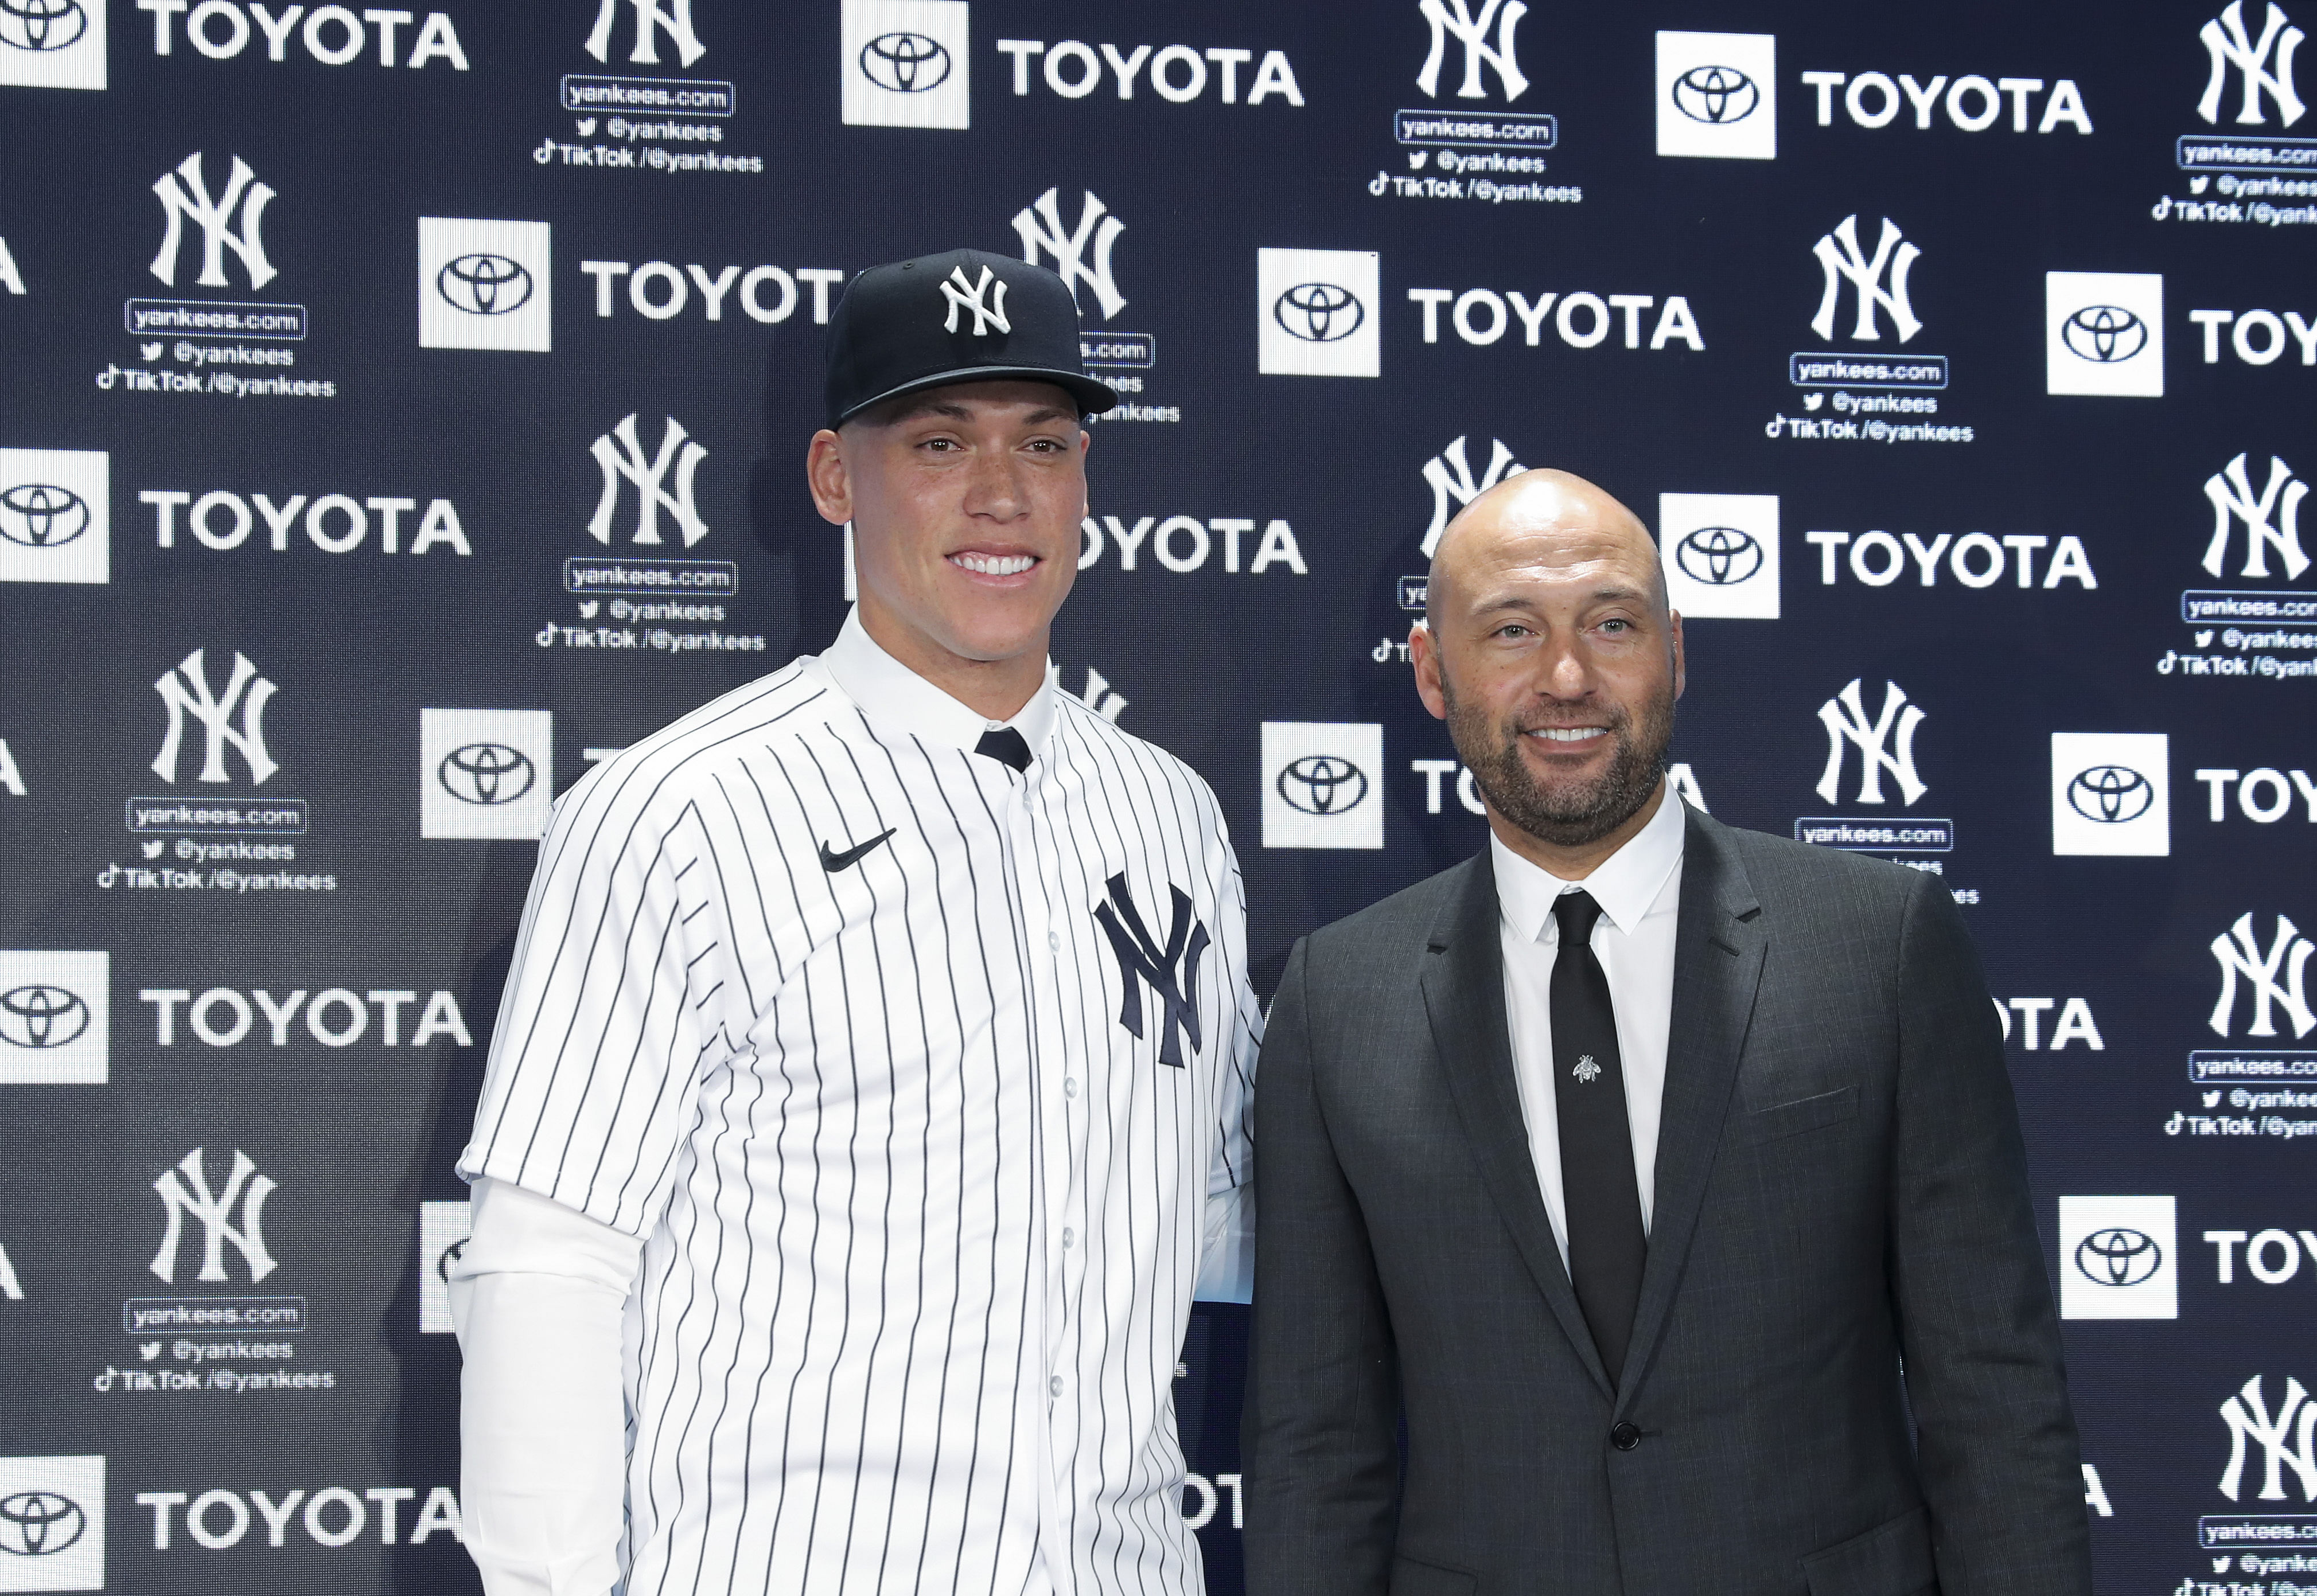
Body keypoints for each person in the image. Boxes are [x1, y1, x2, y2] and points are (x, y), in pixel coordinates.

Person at [449, 248, 1258, 1596]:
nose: (1002, 495)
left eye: (1045, 446)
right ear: (836, 477)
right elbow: (551, 1266)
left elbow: (1215, 1214)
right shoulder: (678, 809)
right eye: (940, 442)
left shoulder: (1171, 815)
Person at [1242, 469, 2088, 1595]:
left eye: (1612, 623)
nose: (1567, 678)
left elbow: (1995, 1393)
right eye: (1511, 631)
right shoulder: (1337, 998)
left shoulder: (1879, 945)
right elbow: (1315, 1444)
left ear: (1676, 652)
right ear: (1433, 673)